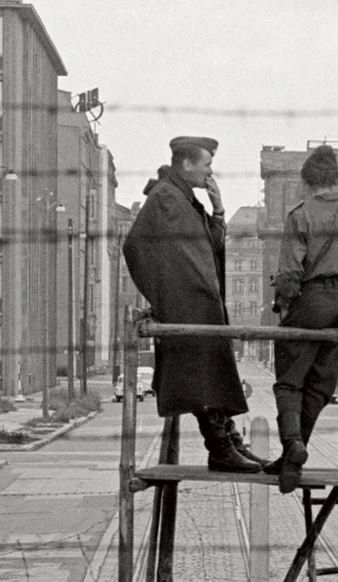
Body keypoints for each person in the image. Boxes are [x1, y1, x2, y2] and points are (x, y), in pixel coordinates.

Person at [123, 136, 263, 473]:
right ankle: (220, 449)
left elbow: (210, 250)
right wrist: (164, 294)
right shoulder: (165, 199)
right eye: (206, 164)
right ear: (186, 164)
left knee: (213, 375)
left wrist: (218, 210)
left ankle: (229, 443)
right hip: (186, 309)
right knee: (203, 379)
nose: (210, 171)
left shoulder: (185, 199)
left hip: (202, 307)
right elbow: (134, 247)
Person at [268, 145, 338, 492]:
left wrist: (285, 308)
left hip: (308, 302)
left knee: (289, 382)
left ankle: (292, 446)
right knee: (319, 387)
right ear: (336, 180)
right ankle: (290, 463)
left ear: (306, 182)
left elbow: (288, 274)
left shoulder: (300, 216)